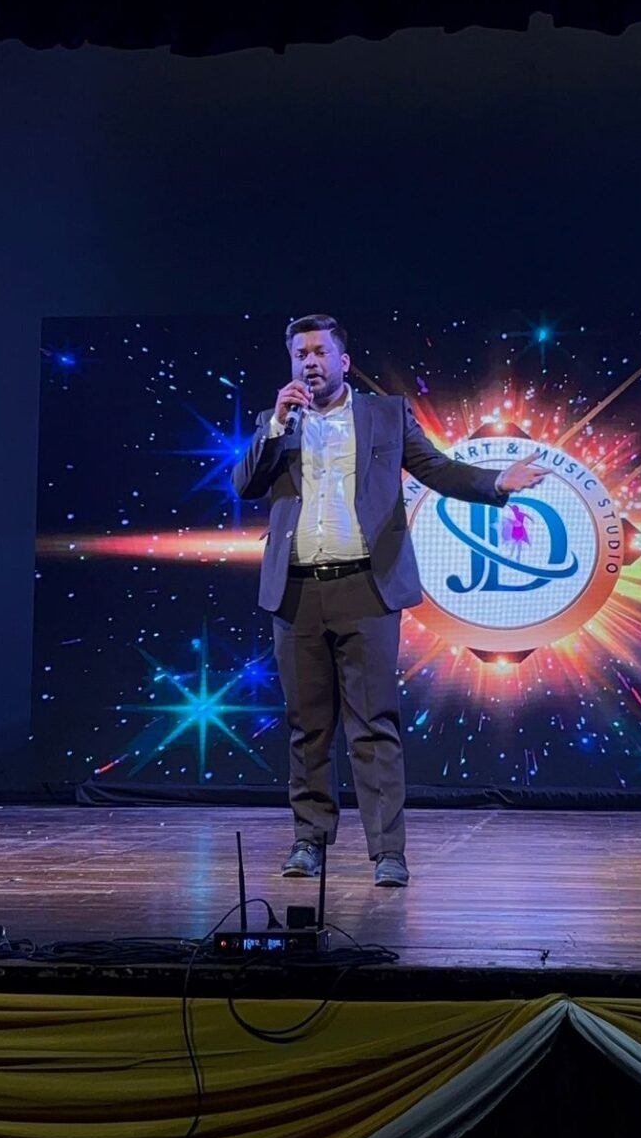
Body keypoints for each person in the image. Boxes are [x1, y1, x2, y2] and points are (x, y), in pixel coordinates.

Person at [231, 314, 550, 888]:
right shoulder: (276, 423)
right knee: (307, 726)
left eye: (320, 352)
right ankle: (308, 841)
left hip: (366, 588)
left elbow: (436, 468)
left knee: (373, 724)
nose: (310, 362)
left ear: (343, 361)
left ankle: (387, 852)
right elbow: (245, 484)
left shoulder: (385, 414)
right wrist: (276, 423)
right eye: (301, 354)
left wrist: (497, 483)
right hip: (296, 591)